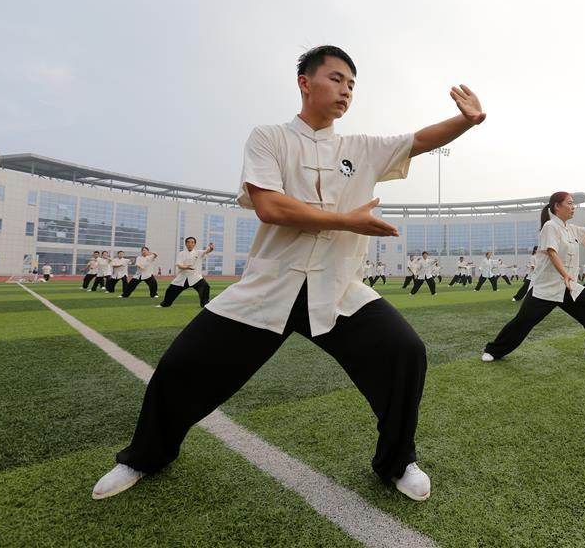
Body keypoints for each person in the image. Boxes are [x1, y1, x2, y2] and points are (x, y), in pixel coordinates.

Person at [92, 45, 486, 503]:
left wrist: (466, 121)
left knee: (406, 353)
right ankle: (143, 457)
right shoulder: (269, 138)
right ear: (305, 82)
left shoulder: (360, 149)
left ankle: (397, 462)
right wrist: (347, 221)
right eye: (337, 79)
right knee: (181, 368)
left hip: (337, 292)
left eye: (352, 85)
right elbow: (271, 206)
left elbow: (419, 140)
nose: (346, 91)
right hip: (269, 288)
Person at [482, 192, 585, 362]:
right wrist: (565, 274)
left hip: (568, 287)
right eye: (570, 203)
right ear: (557, 206)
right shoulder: (550, 226)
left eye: (574, 204)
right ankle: (493, 350)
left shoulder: (572, 229)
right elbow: (551, 252)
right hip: (546, 287)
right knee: (524, 320)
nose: (574, 207)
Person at [156, 238, 214, 308]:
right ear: (186, 244)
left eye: (192, 242)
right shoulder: (181, 254)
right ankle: (165, 304)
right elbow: (178, 265)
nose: (190, 244)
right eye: (188, 242)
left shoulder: (198, 253)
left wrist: (211, 248)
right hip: (182, 277)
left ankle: (204, 304)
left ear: (194, 244)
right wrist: (185, 267)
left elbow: (207, 251)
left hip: (195, 277)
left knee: (205, 286)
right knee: (170, 290)